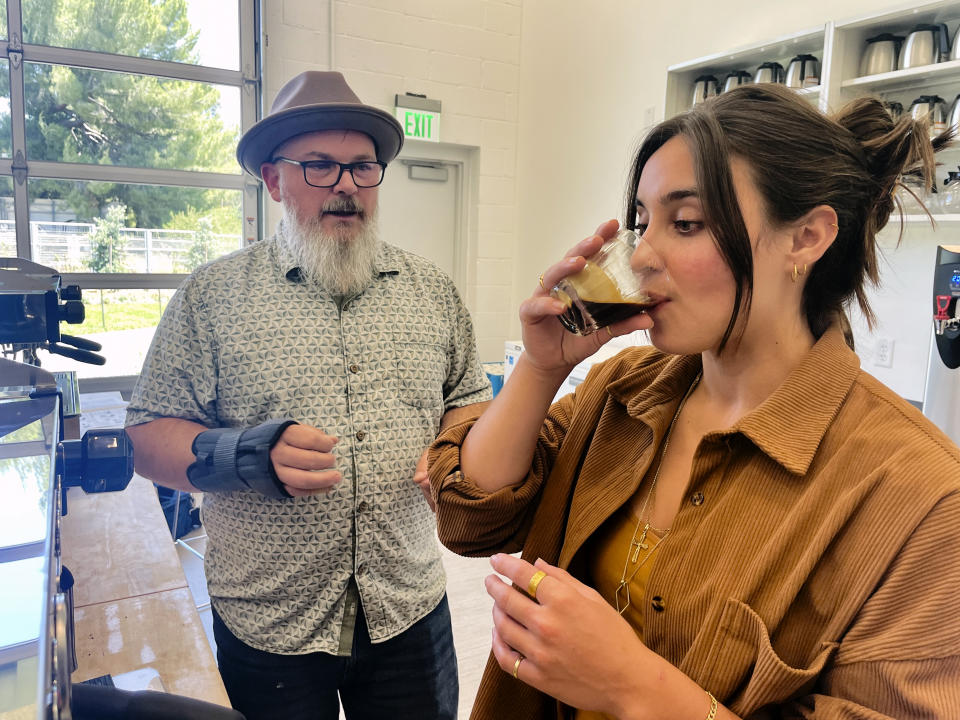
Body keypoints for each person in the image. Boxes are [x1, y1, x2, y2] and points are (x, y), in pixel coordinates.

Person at [428, 83, 960, 720]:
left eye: (686, 223)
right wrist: (541, 371)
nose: (643, 256)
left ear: (807, 239)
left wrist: (633, 688)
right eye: (642, 222)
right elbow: (469, 518)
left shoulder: (916, 494)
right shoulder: (625, 390)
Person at [125, 71, 491, 720]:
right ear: (273, 181)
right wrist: (246, 456)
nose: (346, 185)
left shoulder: (431, 291)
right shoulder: (211, 298)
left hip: (406, 606)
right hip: (271, 627)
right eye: (319, 166)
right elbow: (148, 438)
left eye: (361, 167)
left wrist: (452, 444)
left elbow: (469, 396)